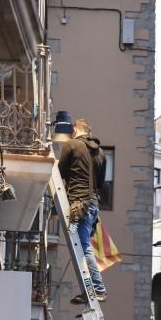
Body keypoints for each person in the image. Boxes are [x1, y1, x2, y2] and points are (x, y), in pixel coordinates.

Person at [58, 118, 107, 303]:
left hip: (79, 203)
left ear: (74, 130)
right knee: (81, 244)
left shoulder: (71, 145)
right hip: (93, 205)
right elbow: (101, 183)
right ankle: (88, 290)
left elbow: (60, 172)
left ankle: (99, 288)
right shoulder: (101, 153)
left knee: (84, 247)